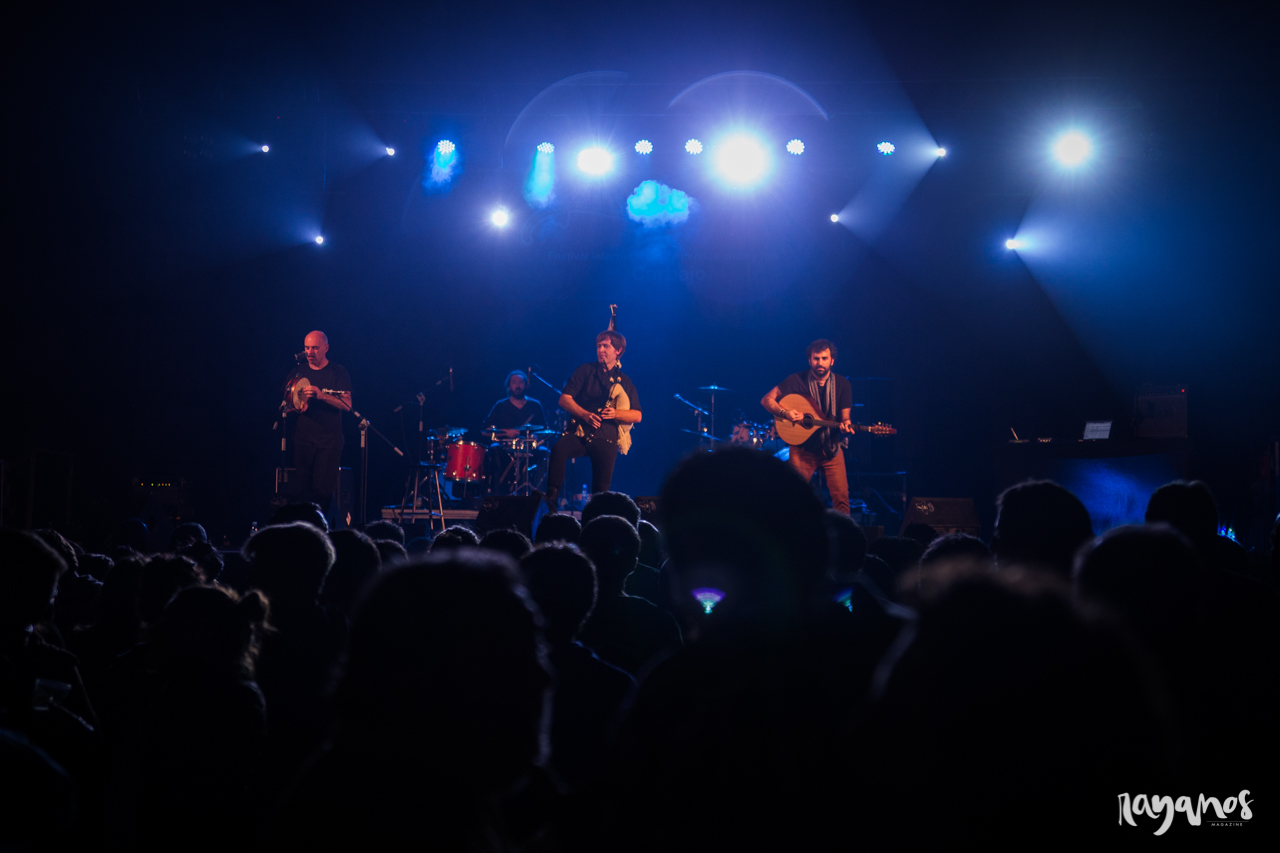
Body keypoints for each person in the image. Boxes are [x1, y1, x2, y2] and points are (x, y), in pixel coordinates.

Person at [545, 330, 641, 509]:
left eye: (606, 346)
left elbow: (637, 415)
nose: (601, 350)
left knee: (601, 491)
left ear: (618, 351)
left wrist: (615, 413)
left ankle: (597, 517)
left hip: (606, 438)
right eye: (598, 346)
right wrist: (585, 415)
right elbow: (564, 399)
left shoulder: (624, 381)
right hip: (581, 432)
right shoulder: (585, 371)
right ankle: (551, 500)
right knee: (559, 449)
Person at [760, 339, 856, 514]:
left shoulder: (843, 384)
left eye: (824, 358)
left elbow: (845, 418)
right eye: (816, 358)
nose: (820, 363)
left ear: (832, 361)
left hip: (831, 448)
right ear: (809, 360)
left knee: (841, 499)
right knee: (793, 497)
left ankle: (843, 531)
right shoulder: (796, 380)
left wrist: (846, 425)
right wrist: (784, 413)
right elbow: (767, 399)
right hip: (802, 450)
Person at [282, 330, 352, 520]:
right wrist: (297, 407)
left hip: (329, 442)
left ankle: (321, 530)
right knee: (302, 493)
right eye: (307, 348)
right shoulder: (298, 372)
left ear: (326, 348)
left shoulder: (337, 372)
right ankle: (305, 530)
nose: (310, 352)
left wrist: (321, 395)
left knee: (322, 493)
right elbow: (286, 405)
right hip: (303, 441)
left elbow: (347, 405)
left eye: (314, 348)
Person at [484, 370, 547, 437]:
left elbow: (545, 431)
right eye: (514, 382)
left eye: (521, 382)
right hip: (506, 443)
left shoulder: (535, 405)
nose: (517, 386)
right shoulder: (501, 405)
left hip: (530, 443)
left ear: (526, 385)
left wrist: (536, 436)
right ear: (509, 387)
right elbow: (485, 431)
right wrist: (506, 432)